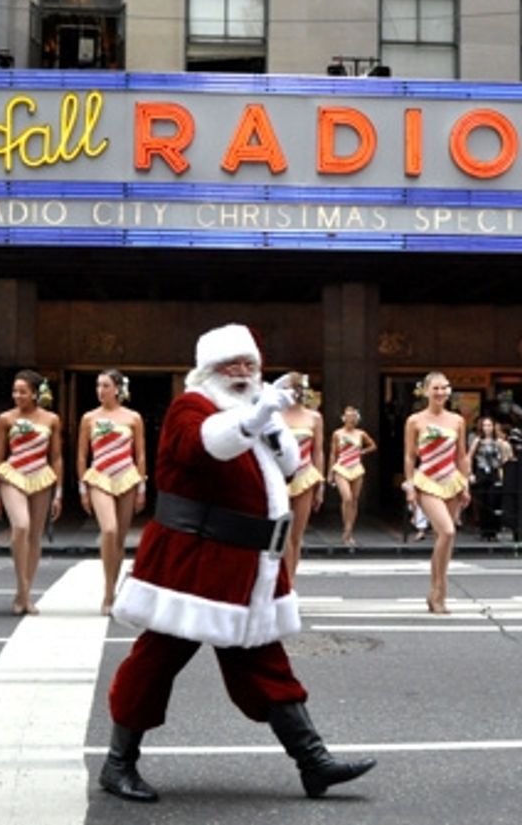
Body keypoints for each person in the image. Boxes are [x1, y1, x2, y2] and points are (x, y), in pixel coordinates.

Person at [102, 323, 376, 803]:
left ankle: (313, 761)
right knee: (156, 660)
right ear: (210, 369)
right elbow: (204, 446)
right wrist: (254, 417)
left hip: (247, 564)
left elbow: (290, 466)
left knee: (264, 660)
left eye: (250, 364)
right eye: (233, 364)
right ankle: (117, 762)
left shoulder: (252, 412)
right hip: (193, 561)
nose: (244, 372)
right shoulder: (193, 407)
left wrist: (270, 423)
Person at [0, 369, 63, 616]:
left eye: (23, 391)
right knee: (21, 526)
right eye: (15, 391)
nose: (17, 395)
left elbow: (56, 457)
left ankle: (25, 594)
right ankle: (21, 588)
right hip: (13, 474)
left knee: (34, 536)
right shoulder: (5, 419)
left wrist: (59, 493)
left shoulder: (51, 419)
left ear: (35, 393)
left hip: (41, 476)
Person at [77, 369, 147, 616]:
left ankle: (113, 589)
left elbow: (140, 454)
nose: (101, 390)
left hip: (127, 477)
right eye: (98, 385)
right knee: (109, 529)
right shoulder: (89, 418)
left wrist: (142, 488)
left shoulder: (133, 418)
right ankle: (107, 593)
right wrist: (83, 488)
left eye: (105, 386)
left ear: (117, 389)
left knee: (119, 539)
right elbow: (82, 455)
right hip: (99, 476)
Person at [403, 371, 470, 614]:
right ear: (425, 391)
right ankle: (439, 590)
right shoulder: (415, 421)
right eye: (436, 388)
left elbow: (461, 456)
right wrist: (410, 485)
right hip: (426, 481)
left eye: (444, 388)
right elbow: (410, 456)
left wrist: (465, 484)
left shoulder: (457, 420)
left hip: (451, 480)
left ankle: (437, 593)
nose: (440, 392)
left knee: (446, 538)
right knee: (447, 530)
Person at [281, 375, 325, 579]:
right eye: (289, 388)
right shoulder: (275, 416)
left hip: (305, 476)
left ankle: (290, 581)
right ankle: (280, 581)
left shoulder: (314, 417)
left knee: (296, 535)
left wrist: (320, 485)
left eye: (298, 388)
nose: (294, 392)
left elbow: (318, 451)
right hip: (279, 478)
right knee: (281, 534)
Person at [328, 406, 376, 547]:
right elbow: (333, 453)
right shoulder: (337, 434)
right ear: (344, 418)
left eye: (353, 416)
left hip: (356, 467)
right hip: (341, 467)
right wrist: (330, 472)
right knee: (347, 498)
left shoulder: (361, 433)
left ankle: (349, 531)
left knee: (354, 500)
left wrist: (363, 452)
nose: (351, 419)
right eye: (348, 416)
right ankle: (347, 529)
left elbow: (373, 445)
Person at [468, 416, 511, 541]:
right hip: (482, 472)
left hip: (494, 472)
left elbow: (504, 458)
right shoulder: (478, 441)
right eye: (485, 425)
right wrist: (470, 473)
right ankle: (484, 530)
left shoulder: (498, 442)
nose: (487, 428)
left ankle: (493, 531)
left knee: (494, 501)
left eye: (489, 425)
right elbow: (469, 456)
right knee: (482, 501)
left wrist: (503, 469)